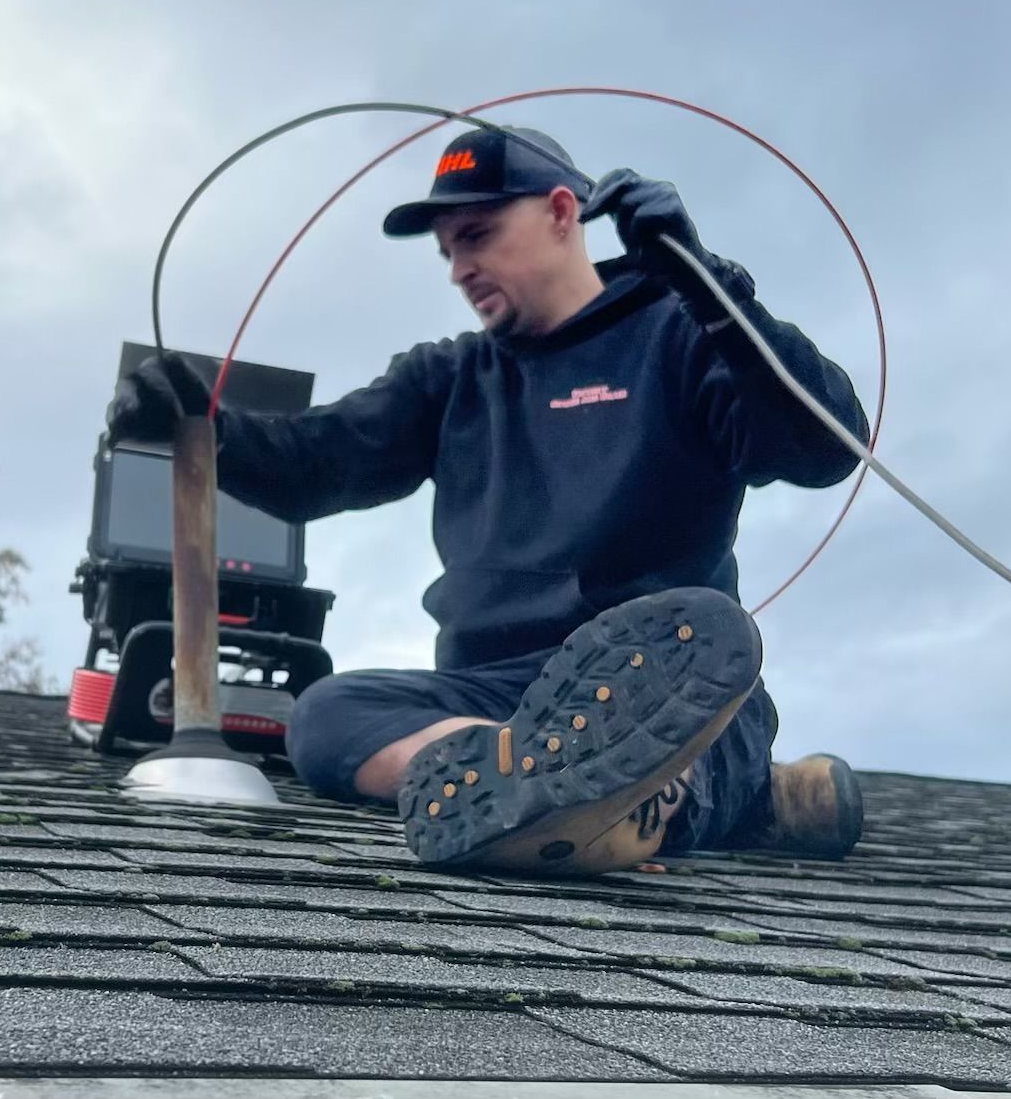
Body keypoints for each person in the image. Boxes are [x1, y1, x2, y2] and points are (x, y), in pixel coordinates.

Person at [107, 124, 870, 875]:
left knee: (686, 735)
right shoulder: (448, 379)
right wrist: (202, 424)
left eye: (476, 235)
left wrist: (714, 292)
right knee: (324, 715)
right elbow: (313, 465)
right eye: (447, 251)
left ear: (563, 213)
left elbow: (824, 448)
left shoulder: (679, 331)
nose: (458, 269)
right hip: (494, 692)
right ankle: (570, 786)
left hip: (663, 686)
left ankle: (657, 790)